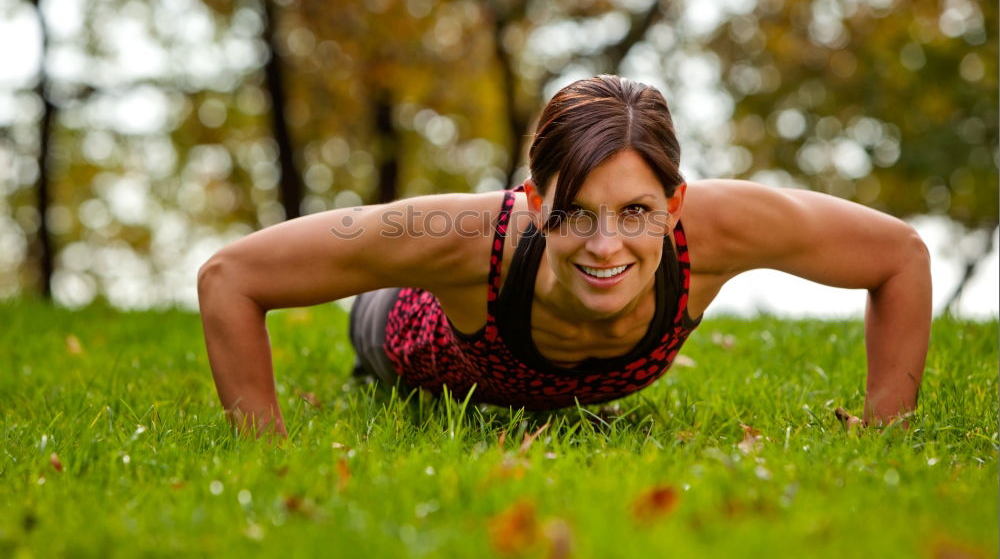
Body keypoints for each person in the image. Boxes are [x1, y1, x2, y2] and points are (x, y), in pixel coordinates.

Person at [197, 75, 930, 438]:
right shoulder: (462, 234)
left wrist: (887, 432)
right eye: (576, 212)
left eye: (636, 212)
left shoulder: (724, 228)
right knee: (377, 326)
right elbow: (231, 277)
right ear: (535, 201)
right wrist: (267, 450)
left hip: (568, 382)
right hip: (402, 336)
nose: (606, 245)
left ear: (674, 204)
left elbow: (899, 255)